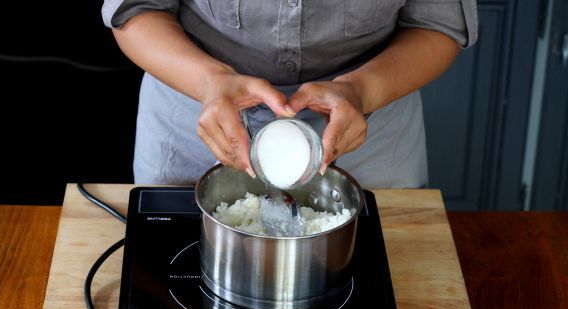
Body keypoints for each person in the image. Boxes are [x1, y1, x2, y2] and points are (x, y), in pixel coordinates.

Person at [101, 0, 477, 188]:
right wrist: (209, 81)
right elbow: (137, 9)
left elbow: (435, 24)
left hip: (368, 140)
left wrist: (361, 89)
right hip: (196, 128)